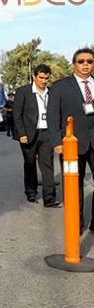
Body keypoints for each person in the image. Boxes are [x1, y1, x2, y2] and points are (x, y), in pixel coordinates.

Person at [48, 48, 94, 235]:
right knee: (74, 187)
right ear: (74, 64)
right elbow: (52, 117)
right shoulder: (60, 86)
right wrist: (56, 142)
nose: (85, 64)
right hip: (71, 144)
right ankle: (77, 223)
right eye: (81, 61)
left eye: (89, 61)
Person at [13, 64, 59, 207]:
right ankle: (31, 192)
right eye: (41, 78)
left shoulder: (52, 92)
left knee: (48, 165)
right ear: (34, 76)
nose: (44, 81)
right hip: (29, 134)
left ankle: (49, 197)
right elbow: (17, 115)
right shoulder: (23, 92)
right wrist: (22, 133)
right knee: (30, 163)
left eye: (46, 78)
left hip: (47, 134)